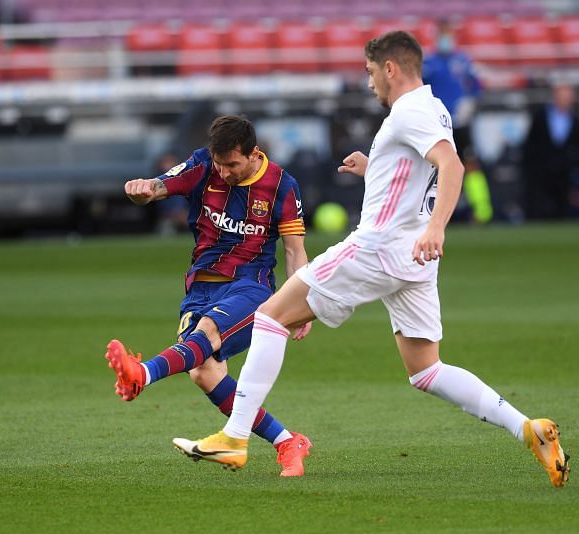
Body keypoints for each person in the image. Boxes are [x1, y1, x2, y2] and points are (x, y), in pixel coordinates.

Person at [173, 32, 569, 488]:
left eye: (369, 72)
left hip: (380, 247)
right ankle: (527, 428)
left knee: (268, 317)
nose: (368, 84)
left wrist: (438, 226)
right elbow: (421, 169)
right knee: (426, 369)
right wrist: (377, 165)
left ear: (390, 69)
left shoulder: (410, 111)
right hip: (414, 261)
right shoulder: (434, 107)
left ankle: (236, 435)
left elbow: (452, 166)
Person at [105, 115, 314, 477]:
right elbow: (159, 186)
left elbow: (295, 251)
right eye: (219, 163)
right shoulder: (203, 164)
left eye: (231, 164)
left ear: (253, 154)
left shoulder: (281, 184)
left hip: (252, 285)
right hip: (201, 285)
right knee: (204, 373)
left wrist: (301, 304)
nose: (224, 171)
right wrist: (142, 191)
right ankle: (286, 441)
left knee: (208, 330)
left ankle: (142, 373)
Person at [423, 20, 492, 224]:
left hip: (461, 123)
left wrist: (470, 102)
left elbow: (477, 86)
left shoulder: (463, 61)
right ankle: (435, 212)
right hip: (438, 124)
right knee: (437, 167)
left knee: (470, 164)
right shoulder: (428, 63)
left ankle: (481, 209)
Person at [522, 82, 579, 220]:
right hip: (542, 170)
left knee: (563, 209)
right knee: (540, 208)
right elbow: (531, 145)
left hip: (565, 172)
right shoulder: (540, 116)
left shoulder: (575, 120)